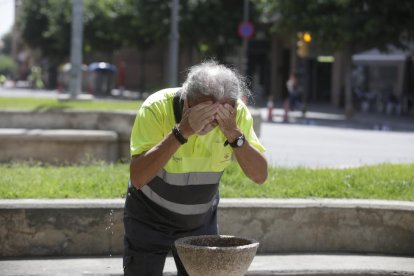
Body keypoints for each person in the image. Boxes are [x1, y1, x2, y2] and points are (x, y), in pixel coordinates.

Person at [123, 60, 268, 276]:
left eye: (218, 116)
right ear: (187, 100)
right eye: (204, 112)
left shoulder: (236, 117)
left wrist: (235, 135)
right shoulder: (156, 108)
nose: (209, 124)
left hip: (199, 220)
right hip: (148, 216)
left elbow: (259, 176)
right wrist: (182, 132)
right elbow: (138, 177)